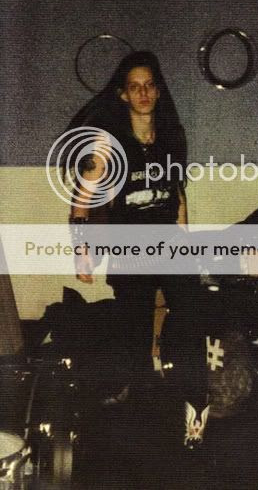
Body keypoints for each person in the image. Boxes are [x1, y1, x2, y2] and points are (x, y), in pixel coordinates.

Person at [66, 51, 209, 450]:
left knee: (191, 316)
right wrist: (81, 251)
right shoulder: (107, 144)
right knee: (135, 329)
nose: (143, 93)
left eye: (149, 86)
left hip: (170, 242)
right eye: (135, 87)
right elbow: (81, 200)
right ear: (124, 95)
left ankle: (196, 406)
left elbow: (177, 194)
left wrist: (185, 238)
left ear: (158, 91)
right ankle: (140, 414)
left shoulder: (172, 136)